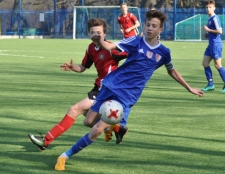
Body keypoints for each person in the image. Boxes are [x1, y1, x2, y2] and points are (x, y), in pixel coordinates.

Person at [54, 9, 204, 171]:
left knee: (97, 130)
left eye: (154, 26)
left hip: (127, 95)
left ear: (160, 30)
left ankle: (64, 156)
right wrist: (100, 40)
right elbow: (110, 46)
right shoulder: (135, 41)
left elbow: (171, 70)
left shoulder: (164, 53)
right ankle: (114, 126)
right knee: (88, 122)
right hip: (111, 85)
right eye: (147, 25)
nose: (149, 28)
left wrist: (189, 87)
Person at [28, 18, 128, 151]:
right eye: (93, 32)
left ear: (104, 34)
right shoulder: (91, 48)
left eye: (99, 32)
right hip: (98, 88)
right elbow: (83, 66)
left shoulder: (111, 49)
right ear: (89, 34)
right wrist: (72, 67)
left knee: (74, 109)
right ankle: (115, 128)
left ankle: (46, 140)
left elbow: (129, 54)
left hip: (107, 89)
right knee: (88, 120)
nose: (96, 35)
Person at [200, 0, 225, 93]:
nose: (208, 9)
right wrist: (208, 35)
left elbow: (220, 31)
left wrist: (209, 30)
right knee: (205, 63)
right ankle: (210, 85)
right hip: (210, 45)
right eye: (206, 7)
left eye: (210, 7)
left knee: (218, 65)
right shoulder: (210, 18)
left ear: (214, 8)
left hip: (216, 45)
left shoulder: (215, 18)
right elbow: (213, 32)